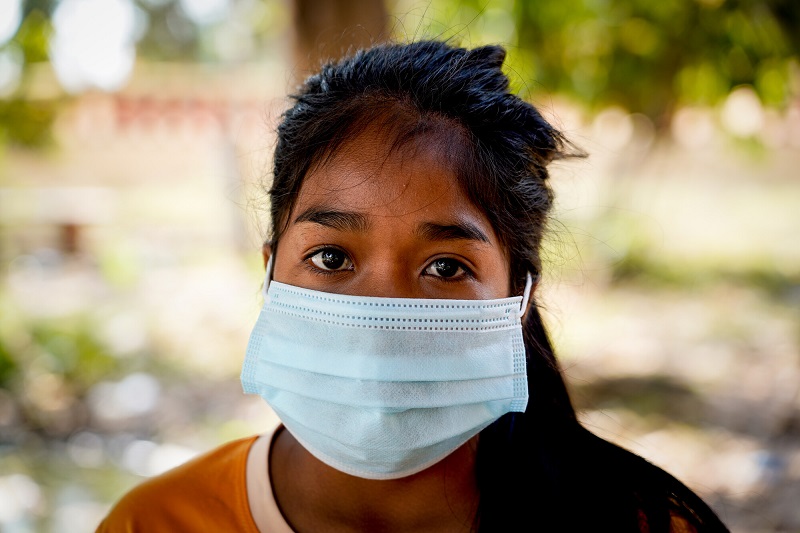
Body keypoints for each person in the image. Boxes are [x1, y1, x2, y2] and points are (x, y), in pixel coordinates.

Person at [96, 40, 729, 532]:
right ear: (269, 270)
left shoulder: (636, 526)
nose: (379, 316)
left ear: (519, 297)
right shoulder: (154, 524)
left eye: (446, 267)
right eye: (330, 256)